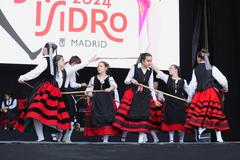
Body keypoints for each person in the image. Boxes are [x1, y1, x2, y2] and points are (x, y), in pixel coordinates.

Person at [15, 42, 71, 141]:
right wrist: (57, 86)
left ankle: (49, 134)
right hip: (53, 89)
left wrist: (23, 77)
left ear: (45, 49)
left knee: (36, 111)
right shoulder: (54, 62)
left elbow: (36, 71)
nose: (42, 50)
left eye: (43, 48)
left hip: (46, 88)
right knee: (45, 113)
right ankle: (50, 133)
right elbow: (59, 77)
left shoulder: (45, 60)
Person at [113, 53, 161, 143]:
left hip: (144, 96)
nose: (150, 63)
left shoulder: (150, 71)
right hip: (134, 94)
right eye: (148, 60)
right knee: (129, 115)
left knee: (144, 116)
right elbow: (126, 81)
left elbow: (151, 86)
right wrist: (132, 80)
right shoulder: (134, 67)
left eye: (151, 60)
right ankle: (123, 136)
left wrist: (155, 100)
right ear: (142, 61)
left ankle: (140, 139)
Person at [185, 49, 229, 142]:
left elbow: (192, 86)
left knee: (201, 114)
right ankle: (219, 137)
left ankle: (201, 131)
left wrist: (189, 99)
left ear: (198, 58)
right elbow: (223, 81)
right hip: (211, 94)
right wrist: (225, 89)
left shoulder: (195, 70)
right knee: (216, 114)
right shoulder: (211, 67)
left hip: (199, 94)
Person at [84, 61, 120, 143]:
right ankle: (101, 135)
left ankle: (106, 138)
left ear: (105, 68)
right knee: (97, 118)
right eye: (98, 66)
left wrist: (110, 89)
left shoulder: (109, 78)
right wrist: (88, 92)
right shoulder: (93, 78)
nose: (98, 68)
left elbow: (114, 85)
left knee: (107, 118)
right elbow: (89, 88)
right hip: (97, 102)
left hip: (107, 102)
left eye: (101, 66)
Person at [152, 64, 189, 143]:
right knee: (170, 120)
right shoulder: (167, 78)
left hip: (180, 104)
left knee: (181, 121)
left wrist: (189, 100)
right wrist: (151, 63)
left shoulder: (183, 81)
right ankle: (171, 140)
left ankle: (181, 140)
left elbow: (190, 92)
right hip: (170, 103)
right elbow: (158, 71)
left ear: (176, 70)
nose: (169, 69)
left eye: (171, 68)